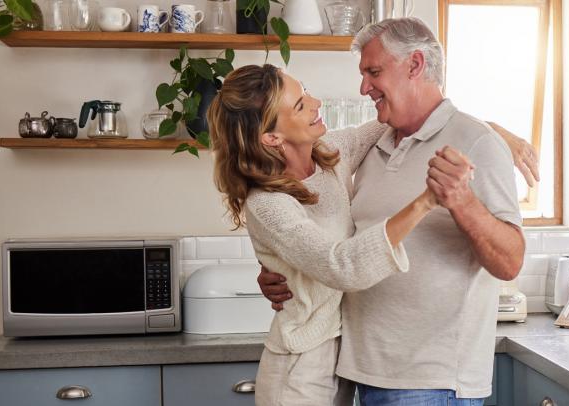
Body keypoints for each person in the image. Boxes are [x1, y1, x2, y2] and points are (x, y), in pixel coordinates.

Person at [208, 63, 532, 405]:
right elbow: (342, 267)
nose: (316, 102)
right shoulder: (268, 204)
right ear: (271, 137)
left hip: (344, 362)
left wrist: (490, 132)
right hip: (300, 370)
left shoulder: (330, 155)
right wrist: (425, 202)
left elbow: (412, 116)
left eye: (305, 90)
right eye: (301, 104)